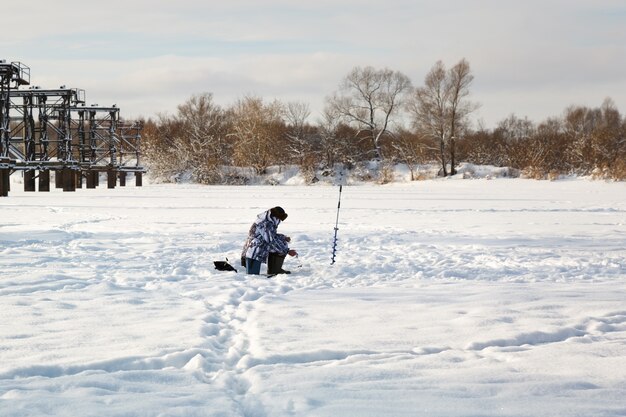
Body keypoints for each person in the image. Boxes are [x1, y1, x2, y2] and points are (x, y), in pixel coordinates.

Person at [241, 206, 298, 275]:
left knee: (282, 243)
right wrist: (287, 251)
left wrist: (283, 237)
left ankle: (275, 270)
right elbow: (271, 241)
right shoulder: (266, 224)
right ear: (275, 217)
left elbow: (271, 235)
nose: (279, 221)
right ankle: (272, 270)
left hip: (259, 247)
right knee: (253, 276)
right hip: (253, 251)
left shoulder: (268, 221)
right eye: (279, 219)